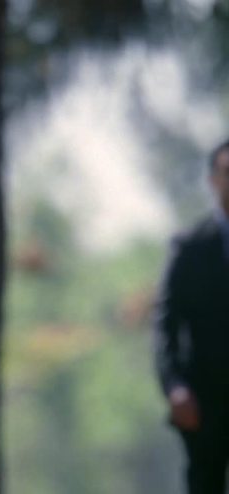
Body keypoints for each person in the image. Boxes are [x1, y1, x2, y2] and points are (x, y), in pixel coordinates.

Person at [154, 139, 229, 493]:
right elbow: (166, 323)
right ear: (214, 180)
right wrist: (175, 387)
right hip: (205, 403)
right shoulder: (189, 248)